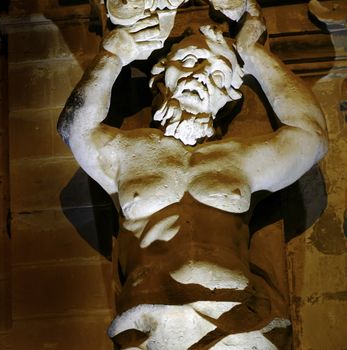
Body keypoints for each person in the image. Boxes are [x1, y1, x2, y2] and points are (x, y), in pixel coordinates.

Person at [58, 6, 327, 349]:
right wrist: (114, 54)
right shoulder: (127, 152)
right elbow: (75, 130)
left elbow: (311, 136)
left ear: (227, 96)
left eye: (217, 74)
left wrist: (252, 52)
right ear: (162, 74)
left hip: (236, 322)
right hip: (151, 322)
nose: (200, 74)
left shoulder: (240, 159)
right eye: (188, 61)